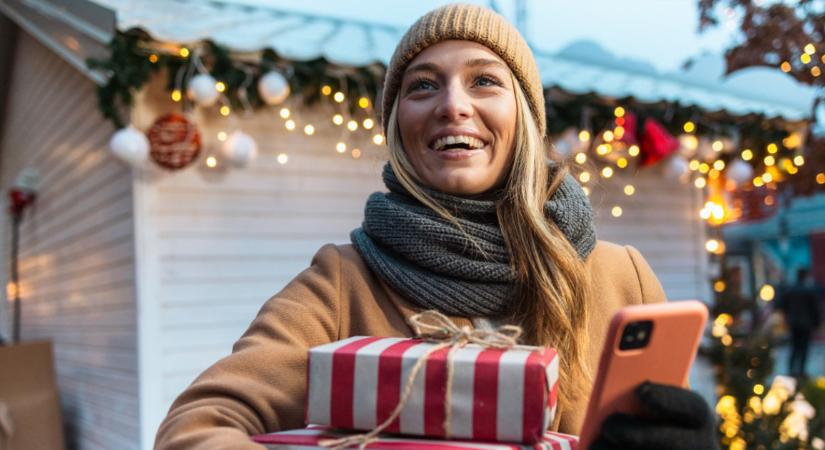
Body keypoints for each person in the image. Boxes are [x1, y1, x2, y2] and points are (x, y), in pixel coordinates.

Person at [154, 4, 718, 450]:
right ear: (398, 125)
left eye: (484, 82)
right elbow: (199, 423)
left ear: (524, 115)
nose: (452, 105)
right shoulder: (342, 284)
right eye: (423, 85)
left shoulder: (622, 279)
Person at [776, 268, 823, 377]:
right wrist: (817, 323)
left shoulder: (790, 290)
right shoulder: (809, 291)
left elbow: (780, 304)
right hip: (806, 324)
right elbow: (815, 309)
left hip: (793, 323)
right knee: (804, 348)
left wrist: (787, 315)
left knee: (794, 347)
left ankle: (791, 370)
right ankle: (801, 371)